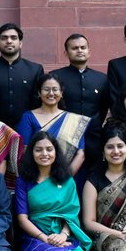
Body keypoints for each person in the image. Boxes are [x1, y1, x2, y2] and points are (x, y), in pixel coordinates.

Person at [50, 33, 108, 174]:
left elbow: (104, 107)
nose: (80, 50)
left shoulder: (102, 79)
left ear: (89, 51)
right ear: (66, 52)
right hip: (63, 138)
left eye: (83, 47)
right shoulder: (55, 77)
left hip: (93, 139)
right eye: (75, 48)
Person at [15, 73, 88, 177]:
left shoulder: (73, 120)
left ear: (61, 93)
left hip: (66, 178)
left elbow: (80, 154)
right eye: (46, 89)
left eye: (55, 89)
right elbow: (24, 152)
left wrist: (65, 178)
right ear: (39, 93)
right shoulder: (28, 117)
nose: (51, 93)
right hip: (36, 177)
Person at [0, 23, 43, 128]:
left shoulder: (35, 69)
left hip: (27, 128)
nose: (9, 41)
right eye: (4, 38)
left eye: (13, 38)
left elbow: (38, 102)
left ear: (20, 43)